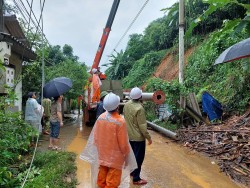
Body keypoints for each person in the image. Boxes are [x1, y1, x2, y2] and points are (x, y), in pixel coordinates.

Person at [80, 93, 137, 188]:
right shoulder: (120, 121)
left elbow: (95, 139)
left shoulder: (100, 118)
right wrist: (127, 157)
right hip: (116, 160)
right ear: (117, 106)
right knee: (112, 184)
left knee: (101, 181)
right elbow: (123, 144)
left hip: (102, 157)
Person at [123, 87, 152, 185]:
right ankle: (136, 179)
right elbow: (142, 126)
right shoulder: (140, 108)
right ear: (140, 96)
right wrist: (148, 137)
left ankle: (132, 173)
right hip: (138, 138)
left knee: (132, 156)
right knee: (138, 158)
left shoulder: (126, 105)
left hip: (129, 136)